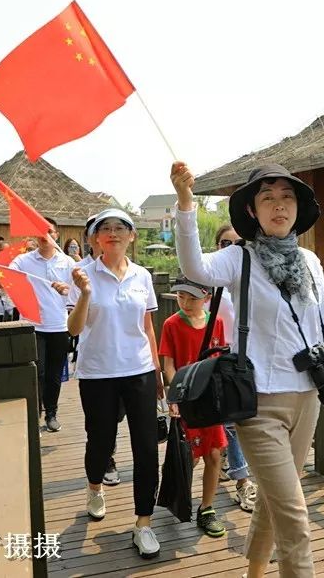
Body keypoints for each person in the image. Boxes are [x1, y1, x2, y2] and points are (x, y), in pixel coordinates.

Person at [171, 161, 324, 578]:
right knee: (295, 514)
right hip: (257, 404)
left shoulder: (310, 262)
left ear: (297, 208)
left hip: (307, 398)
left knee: (275, 500)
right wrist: (187, 204)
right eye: (267, 198)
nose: (278, 206)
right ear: (253, 212)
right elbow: (194, 268)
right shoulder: (238, 258)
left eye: (287, 197)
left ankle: (254, 572)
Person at [68, 208, 163, 560]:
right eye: (104, 228)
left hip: (138, 370)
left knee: (146, 447)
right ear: (94, 238)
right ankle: (95, 487)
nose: (113, 233)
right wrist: (84, 295)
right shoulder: (82, 274)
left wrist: (156, 370)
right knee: (101, 442)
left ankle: (144, 523)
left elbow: (147, 326)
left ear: (132, 236)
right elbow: (74, 329)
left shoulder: (142, 276)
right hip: (97, 372)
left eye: (121, 228)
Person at [160, 276, 230, 537]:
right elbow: (169, 364)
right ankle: (180, 498)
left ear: (207, 298)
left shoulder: (217, 322)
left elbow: (220, 358)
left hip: (211, 400)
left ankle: (207, 507)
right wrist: (174, 396)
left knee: (214, 454)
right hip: (187, 399)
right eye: (181, 296)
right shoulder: (172, 324)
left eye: (192, 298)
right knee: (190, 455)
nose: (186, 302)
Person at [9, 217, 75, 433]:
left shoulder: (67, 263)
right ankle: (34, 412)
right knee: (38, 372)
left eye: (49, 231)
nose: (44, 236)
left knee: (54, 374)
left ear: (56, 235)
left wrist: (67, 289)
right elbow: (8, 275)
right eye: (39, 231)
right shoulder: (24, 260)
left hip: (58, 326)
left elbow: (80, 292)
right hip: (33, 325)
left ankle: (52, 413)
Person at [211, 223, 258, 512]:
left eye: (237, 243)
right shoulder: (209, 278)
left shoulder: (250, 278)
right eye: (224, 244)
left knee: (233, 421)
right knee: (226, 421)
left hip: (240, 359)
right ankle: (238, 477)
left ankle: (241, 478)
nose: (230, 249)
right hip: (212, 357)